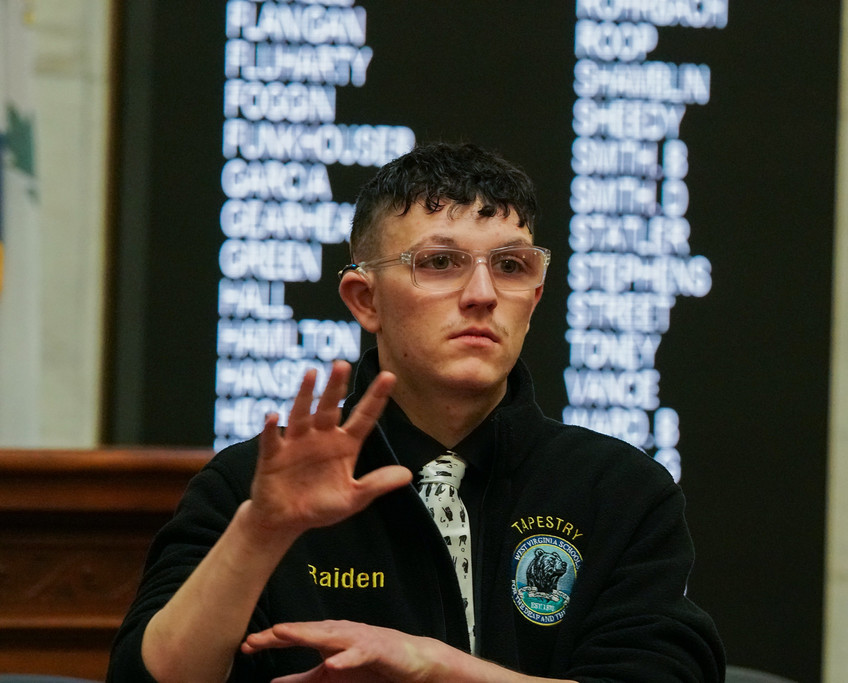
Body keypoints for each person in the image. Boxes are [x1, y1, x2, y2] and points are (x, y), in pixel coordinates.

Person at [108, 142, 726, 682]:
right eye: (439, 263)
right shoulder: (250, 488)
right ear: (365, 299)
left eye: (510, 267)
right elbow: (149, 677)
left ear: (534, 297)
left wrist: (435, 668)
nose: (482, 294)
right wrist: (260, 534)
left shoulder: (618, 490)